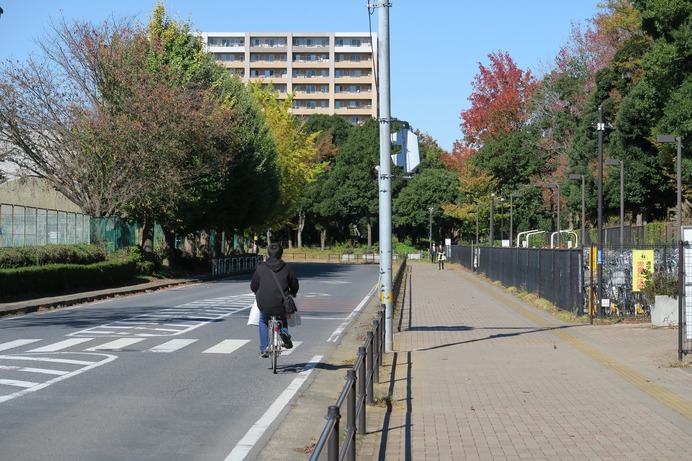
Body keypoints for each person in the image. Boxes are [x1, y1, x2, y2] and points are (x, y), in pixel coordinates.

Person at [250, 243, 299, 358]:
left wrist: (256, 291)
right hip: (281, 303)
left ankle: (264, 348)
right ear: (281, 254)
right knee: (282, 316)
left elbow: (253, 286)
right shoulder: (286, 268)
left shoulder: (261, 267)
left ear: (268, 254)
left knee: (263, 320)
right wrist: (294, 292)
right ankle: (284, 333)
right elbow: (294, 284)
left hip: (264, 303)